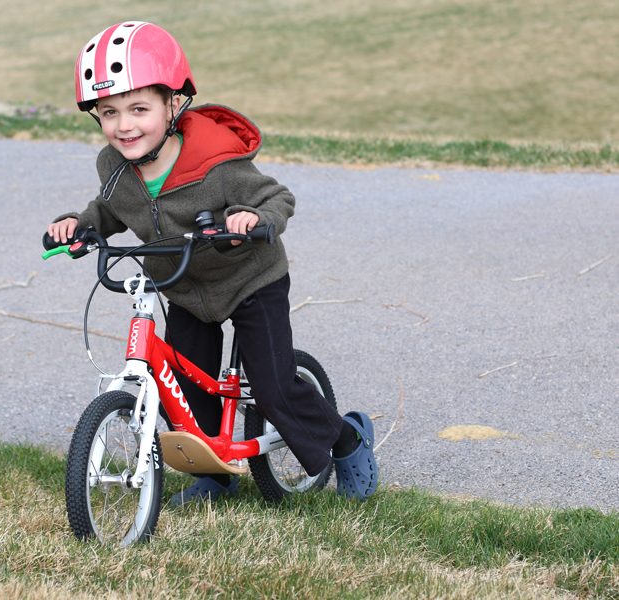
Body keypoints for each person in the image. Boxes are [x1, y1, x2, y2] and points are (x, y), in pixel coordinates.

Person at [46, 21, 378, 504]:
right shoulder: (114, 166)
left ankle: (346, 440)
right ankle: (215, 475)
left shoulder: (216, 163)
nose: (124, 125)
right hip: (183, 286)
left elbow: (276, 197)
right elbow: (112, 208)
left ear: (173, 104)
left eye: (140, 108)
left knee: (272, 389)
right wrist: (80, 224)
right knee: (189, 382)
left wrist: (251, 216)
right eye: (110, 112)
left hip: (249, 279)